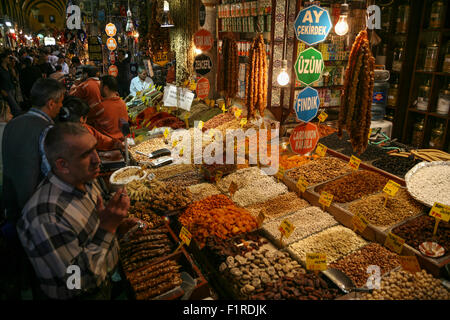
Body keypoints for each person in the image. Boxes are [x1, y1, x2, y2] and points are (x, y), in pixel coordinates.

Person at [17, 122, 133, 300]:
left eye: (95, 149)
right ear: (63, 165)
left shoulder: (85, 180)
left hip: (105, 283)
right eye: (86, 155)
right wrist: (108, 227)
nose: (97, 160)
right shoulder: (45, 216)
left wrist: (117, 228)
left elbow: (90, 237)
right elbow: (76, 282)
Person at [2, 78, 65, 224]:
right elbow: (52, 174)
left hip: (11, 207)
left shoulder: (12, 124)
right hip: (35, 214)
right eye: (60, 102)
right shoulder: (47, 130)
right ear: (51, 103)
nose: (61, 106)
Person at [88, 75, 128, 141]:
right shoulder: (122, 103)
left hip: (106, 144)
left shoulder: (100, 106)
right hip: (122, 140)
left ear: (105, 88)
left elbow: (87, 118)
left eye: (100, 86)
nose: (99, 89)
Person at [0, 53, 22, 117]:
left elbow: (13, 78)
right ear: (3, 59)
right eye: (7, 57)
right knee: (16, 108)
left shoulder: (9, 68)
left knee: (12, 107)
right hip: (6, 90)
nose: (8, 59)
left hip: (12, 88)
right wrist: (1, 90)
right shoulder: (1, 69)